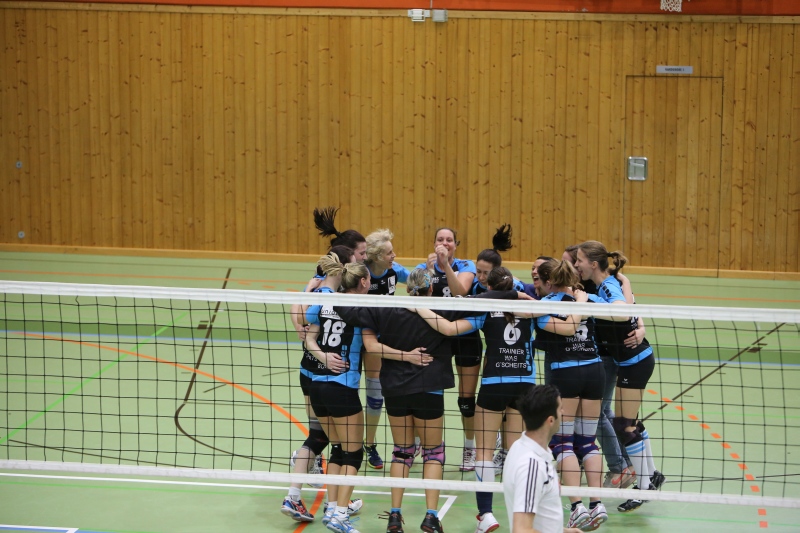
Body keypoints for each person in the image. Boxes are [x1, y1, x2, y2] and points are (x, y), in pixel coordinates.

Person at [336, 268, 457, 533]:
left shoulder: (385, 310)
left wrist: (328, 286)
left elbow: (346, 310)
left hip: (395, 390)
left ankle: (394, 515)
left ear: (407, 289)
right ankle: (431, 516)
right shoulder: (442, 309)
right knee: (433, 453)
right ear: (430, 289)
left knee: (402, 451)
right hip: (429, 388)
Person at [414, 267, 533, 533]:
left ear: (489, 287)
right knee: (516, 453)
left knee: (484, 454)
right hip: (525, 384)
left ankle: (486, 514)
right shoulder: (530, 309)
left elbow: (448, 329)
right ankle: (521, 516)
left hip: (494, 384)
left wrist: (419, 307)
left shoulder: (484, 309)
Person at [575, 240, 665, 512]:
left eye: (579, 260)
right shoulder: (609, 283)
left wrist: (589, 300)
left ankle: (645, 487)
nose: (576, 264)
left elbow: (621, 312)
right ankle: (652, 476)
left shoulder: (607, 286)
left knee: (624, 425)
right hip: (629, 361)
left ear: (593, 264)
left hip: (636, 361)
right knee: (629, 423)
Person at [282, 250, 360, 524]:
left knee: (326, 438)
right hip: (327, 377)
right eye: (359, 256)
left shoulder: (319, 292)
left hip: (312, 375)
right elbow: (303, 320)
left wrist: (307, 293)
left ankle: (330, 501)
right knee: (329, 440)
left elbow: (303, 322)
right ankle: (325, 503)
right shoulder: (334, 299)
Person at [534, 259, 607, 530]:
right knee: (588, 442)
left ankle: (577, 507)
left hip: (566, 373)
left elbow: (566, 328)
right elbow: (620, 312)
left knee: (563, 443)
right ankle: (597, 503)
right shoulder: (589, 299)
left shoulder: (545, 305)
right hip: (595, 371)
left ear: (549, 281)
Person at [563, 244, 641, 489]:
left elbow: (627, 308)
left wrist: (641, 327)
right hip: (601, 355)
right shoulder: (584, 285)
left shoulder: (599, 284)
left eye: (573, 262)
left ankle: (621, 467)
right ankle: (630, 464)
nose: (571, 266)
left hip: (605, 356)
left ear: (590, 263)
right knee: (604, 413)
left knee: (596, 414)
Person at [304, 258, 370, 533]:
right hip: (342, 388)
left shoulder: (325, 301)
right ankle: (341, 515)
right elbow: (372, 345)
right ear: (363, 282)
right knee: (353, 454)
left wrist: (323, 358)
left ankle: (332, 508)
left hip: (317, 386)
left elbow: (309, 337)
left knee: (338, 448)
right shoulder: (363, 309)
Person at [417, 227, 480, 471]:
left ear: (456, 244)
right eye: (440, 239)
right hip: (435, 336)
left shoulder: (466, 266)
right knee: (428, 392)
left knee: (466, 399)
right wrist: (430, 271)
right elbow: (416, 298)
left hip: (465, 335)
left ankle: (469, 448)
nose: (445, 243)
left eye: (449, 240)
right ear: (434, 243)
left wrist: (445, 266)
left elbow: (460, 291)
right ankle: (421, 442)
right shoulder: (424, 267)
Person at [361, 228, 411, 470]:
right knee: (346, 393)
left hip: (380, 338)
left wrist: (433, 269)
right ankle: (345, 443)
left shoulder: (395, 271)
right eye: (390, 253)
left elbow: (419, 280)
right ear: (377, 256)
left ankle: (369, 444)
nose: (394, 255)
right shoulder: (360, 272)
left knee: (376, 395)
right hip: (356, 335)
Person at [503, 384, 582, 533]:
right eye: (560, 408)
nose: (563, 412)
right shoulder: (532, 465)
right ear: (550, 420)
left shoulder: (520, 447)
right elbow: (521, 530)